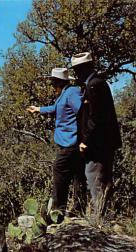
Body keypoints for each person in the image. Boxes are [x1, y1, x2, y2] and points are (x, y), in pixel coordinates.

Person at [27, 68, 86, 221]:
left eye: (53, 83)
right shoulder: (65, 94)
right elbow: (57, 108)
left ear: (58, 82)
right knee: (77, 175)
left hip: (71, 143)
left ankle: (57, 212)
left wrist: (83, 139)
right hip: (71, 143)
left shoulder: (72, 92)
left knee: (60, 172)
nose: (52, 86)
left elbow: (82, 111)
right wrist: (38, 109)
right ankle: (78, 210)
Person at [70, 52, 122, 219]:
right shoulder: (98, 83)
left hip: (98, 144)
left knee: (95, 179)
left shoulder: (93, 85)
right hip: (106, 142)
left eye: (77, 69)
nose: (76, 73)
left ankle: (98, 220)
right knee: (104, 180)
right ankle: (105, 216)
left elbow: (95, 117)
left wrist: (86, 141)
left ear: (83, 68)